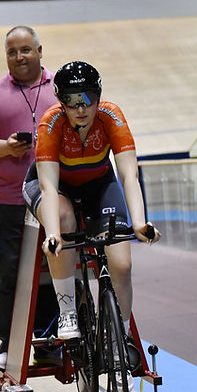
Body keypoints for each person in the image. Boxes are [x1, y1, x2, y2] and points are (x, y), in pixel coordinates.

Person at [22, 61, 159, 354]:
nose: (81, 108)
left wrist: (139, 224)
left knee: (122, 264)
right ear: (61, 101)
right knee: (64, 217)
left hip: (98, 183)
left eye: (88, 98)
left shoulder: (111, 116)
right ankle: (67, 311)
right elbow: (48, 186)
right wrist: (54, 234)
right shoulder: (51, 123)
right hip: (55, 186)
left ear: (98, 96)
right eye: (72, 101)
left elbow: (129, 176)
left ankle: (121, 338)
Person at [0, 25, 59, 372]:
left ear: (39, 51)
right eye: (12, 52)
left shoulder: (58, 88)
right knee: (10, 275)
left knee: (54, 269)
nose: (19, 57)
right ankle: (7, 345)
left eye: (25, 50)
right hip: (9, 202)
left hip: (52, 199)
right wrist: (5, 147)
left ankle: (50, 343)